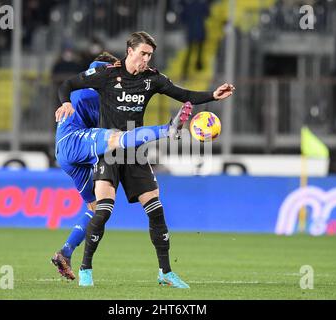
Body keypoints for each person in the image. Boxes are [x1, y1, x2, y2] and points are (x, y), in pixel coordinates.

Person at [57, 31, 234, 288]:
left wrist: (212, 96)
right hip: (108, 152)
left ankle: (165, 272)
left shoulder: (152, 79)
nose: (146, 60)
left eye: (150, 55)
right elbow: (68, 84)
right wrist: (65, 103)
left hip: (136, 153)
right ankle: (86, 269)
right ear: (129, 51)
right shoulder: (108, 75)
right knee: (103, 210)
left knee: (156, 209)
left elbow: (183, 93)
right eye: (143, 54)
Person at [51, 51, 194, 280]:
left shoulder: (86, 85)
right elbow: (117, 126)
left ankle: (66, 252)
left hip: (66, 153)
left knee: (95, 207)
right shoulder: (98, 91)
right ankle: (167, 129)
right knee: (117, 136)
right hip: (76, 140)